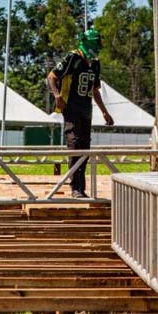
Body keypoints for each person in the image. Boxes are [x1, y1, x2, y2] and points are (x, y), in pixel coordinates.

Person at [47, 28, 114, 198]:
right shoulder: (73, 58)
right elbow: (52, 76)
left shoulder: (95, 64)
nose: (98, 48)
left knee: (85, 148)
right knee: (75, 145)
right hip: (71, 108)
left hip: (86, 110)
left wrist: (104, 112)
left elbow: (95, 89)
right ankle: (75, 187)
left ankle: (81, 188)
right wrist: (57, 95)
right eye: (95, 44)